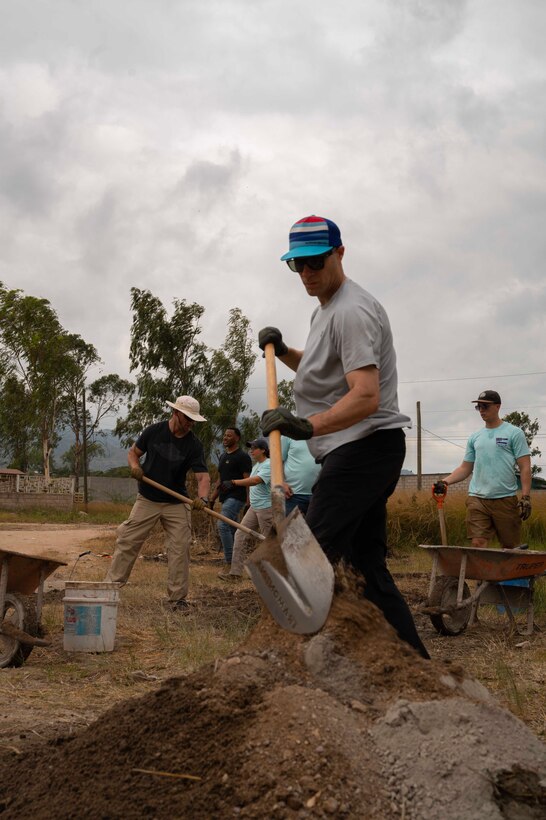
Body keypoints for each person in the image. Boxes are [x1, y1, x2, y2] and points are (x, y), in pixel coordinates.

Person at [259, 214, 429, 659]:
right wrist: (286, 349)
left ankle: (282, 659)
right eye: (298, 266)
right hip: (357, 450)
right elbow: (325, 375)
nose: (308, 274)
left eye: (315, 262)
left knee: (307, 554)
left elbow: (366, 396)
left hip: (364, 448)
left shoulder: (352, 311)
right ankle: (414, 665)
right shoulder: (326, 311)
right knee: (367, 568)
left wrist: (307, 426)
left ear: (339, 252)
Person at [106, 396, 210, 611]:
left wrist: (203, 498)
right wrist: (135, 467)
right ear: (176, 413)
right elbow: (133, 453)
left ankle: (177, 599)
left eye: (193, 420)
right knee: (127, 541)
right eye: (187, 418)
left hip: (176, 501)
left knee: (180, 548)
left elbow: (203, 477)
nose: (190, 423)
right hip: (148, 498)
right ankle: (109, 590)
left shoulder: (194, 445)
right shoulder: (154, 431)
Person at [434, 390, 531, 549]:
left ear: (498, 406)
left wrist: (526, 497)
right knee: (478, 543)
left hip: (505, 499)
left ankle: (512, 573)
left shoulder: (514, 433)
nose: (481, 410)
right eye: (478, 407)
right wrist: (445, 482)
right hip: (477, 499)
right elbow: (465, 468)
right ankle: (481, 574)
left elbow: (525, 466)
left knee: (510, 547)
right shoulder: (475, 437)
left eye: (485, 406)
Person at [218, 437, 273, 581]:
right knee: (240, 535)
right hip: (254, 508)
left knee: (269, 542)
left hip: (266, 509)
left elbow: (255, 481)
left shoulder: (268, 464)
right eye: (250, 448)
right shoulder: (256, 465)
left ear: (263, 450)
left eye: (254, 448)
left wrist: (234, 482)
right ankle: (235, 573)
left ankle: (273, 576)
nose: (251, 451)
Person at [210, 427, 252, 566]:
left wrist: (248, 501)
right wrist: (212, 498)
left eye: (229, 436)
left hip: (236, 497)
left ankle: (229, 561)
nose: (225, 438)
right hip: (225, 497)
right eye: (225, 435)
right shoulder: (223, 456)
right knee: (233, 529)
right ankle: (238, 560)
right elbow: (220, 480)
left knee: (222, 525)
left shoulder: (242, 456)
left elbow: (248, 480)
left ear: (237, 438)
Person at [281, 435, 320, 516]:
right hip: (293, 495)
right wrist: (282, 482)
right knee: (293, 528)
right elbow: (277, 461)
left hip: (320, 494)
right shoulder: (288, 434)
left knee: (319, 528)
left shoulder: (323, 431)